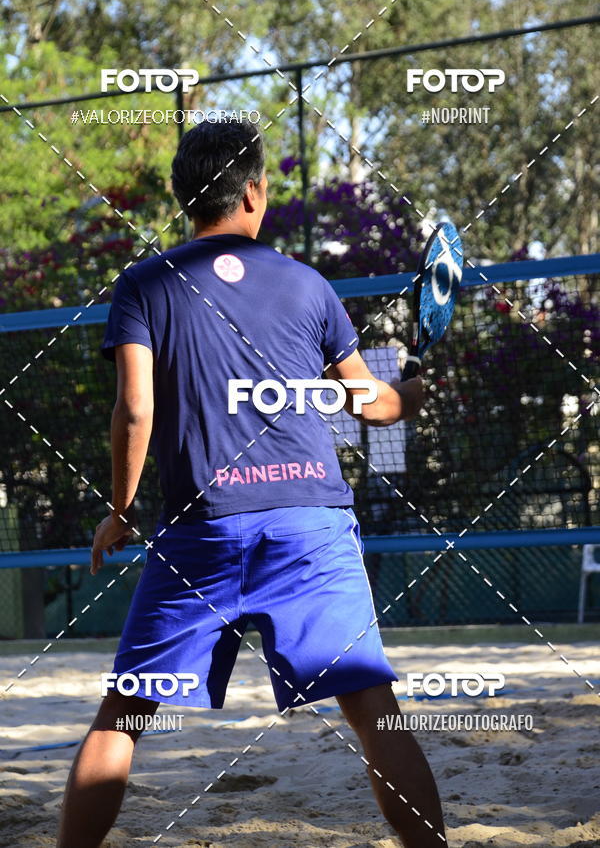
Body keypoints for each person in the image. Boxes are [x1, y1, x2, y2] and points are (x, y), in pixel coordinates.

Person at [56, 118, 447, 848]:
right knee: (373, 708)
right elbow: (376, 405)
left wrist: (120, 510)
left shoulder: (145, 284)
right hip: (309, 521)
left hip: (201, 526)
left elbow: (135, 409)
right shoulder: (307, 284)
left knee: (126, 714)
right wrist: (413, 393)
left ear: (183, 199)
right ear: (256, 191)